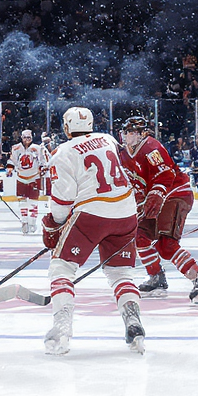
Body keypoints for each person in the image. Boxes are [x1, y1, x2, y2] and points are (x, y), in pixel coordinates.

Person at [40, 107, 146, 355]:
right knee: (121, 273)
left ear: (67, 127)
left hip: (93, 214)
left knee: (62, 267)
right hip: (126, 210)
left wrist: (53, 225)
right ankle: (133, 321)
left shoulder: (61, 152)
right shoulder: (107, 139)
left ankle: (61, 328)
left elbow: (63, 202)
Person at [118, 116, 198, 303]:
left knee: (165, 244)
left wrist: (155, 195)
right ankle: (156, 277)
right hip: (156, 198)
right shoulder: (123, 155)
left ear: (141, 134)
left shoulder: (151, 147)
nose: (127, 135)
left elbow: (165, 175)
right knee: (140, 237)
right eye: (126, 131)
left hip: (175, 194)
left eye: (132, 132)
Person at [7, 129, 48, 234]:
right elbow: (12, 160)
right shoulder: (16, 148)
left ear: (32, 138)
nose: (26, 140)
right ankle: (24, 221)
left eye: (29, 138)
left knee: (33, 202)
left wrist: (43, 168)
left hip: (34, 178)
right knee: (22, 202)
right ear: (21, 138)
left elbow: (42, 161)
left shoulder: (37, 148)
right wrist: (10, 168)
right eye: (25, 137)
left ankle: (33, 222)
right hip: (21, 178)